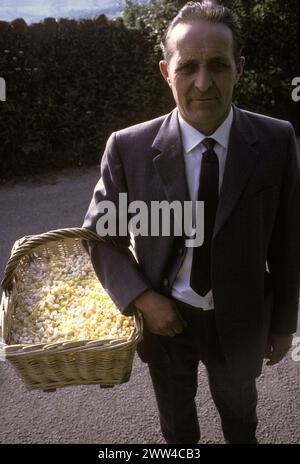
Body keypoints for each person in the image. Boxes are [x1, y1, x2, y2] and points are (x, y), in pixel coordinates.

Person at [82, 0, 300, 444]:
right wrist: (144, 300)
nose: (204, 83)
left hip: (241, 319)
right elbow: (101, 237)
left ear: (240, 68)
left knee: (241, 418)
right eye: (188, 68)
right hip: (165, 322)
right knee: (177, 428)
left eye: (218, 65)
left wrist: (283, 323)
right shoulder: (128, 149)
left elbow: (288, 240)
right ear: (166, 71)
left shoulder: (277, 140)